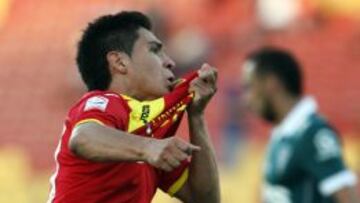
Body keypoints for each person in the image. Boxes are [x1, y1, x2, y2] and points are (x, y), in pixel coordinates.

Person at [47, 11, 220, 203]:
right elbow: (83, 138)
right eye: (155, 50)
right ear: (120, 62)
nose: (170, 62)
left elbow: (205, 199)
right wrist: (148, 148)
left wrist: (196, 116)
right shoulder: (105, 102)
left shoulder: (149, 131)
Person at [241, 47, 359, 203]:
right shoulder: (283, 135)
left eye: (250, 87)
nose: (246, 99)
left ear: (271, 83)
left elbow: (347, 196)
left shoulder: (312, 133)